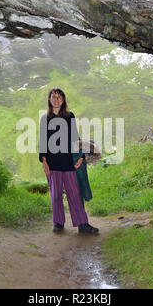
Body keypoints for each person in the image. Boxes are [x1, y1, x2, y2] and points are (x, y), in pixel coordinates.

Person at [39, 88, 99, 234]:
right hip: (52, 163)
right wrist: (44, 162)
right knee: (56, 194)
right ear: (49, 100)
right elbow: (43, 142)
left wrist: (80, 157)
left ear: (63, 100)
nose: (56, 99)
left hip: (69, 163)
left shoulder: (69, 116)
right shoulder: (45, 118)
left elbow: (74, 139)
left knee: (75, 194)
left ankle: (82, 224)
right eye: (53, 97)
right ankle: (58, 223)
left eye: (59, 97)